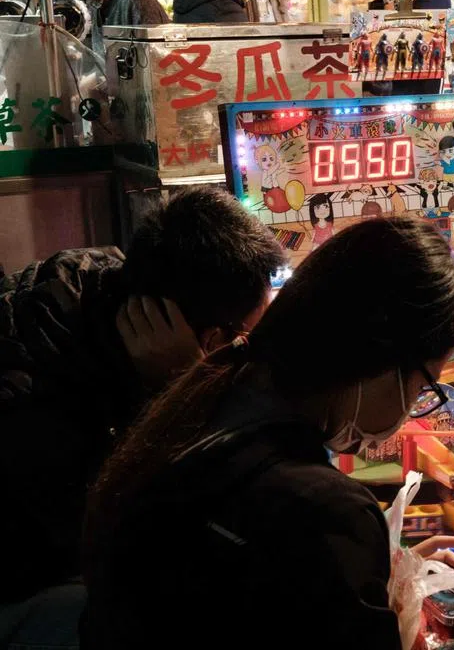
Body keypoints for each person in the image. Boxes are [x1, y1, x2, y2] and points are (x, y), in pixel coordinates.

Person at [82, 217, 454, 650]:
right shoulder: (322, 509)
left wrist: (380, 571)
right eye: (424, 387)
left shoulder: (204, 396)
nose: (415, 407)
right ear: (375, 362)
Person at [0, 187, 285, 648]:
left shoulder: (110, 281)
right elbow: (135, 539)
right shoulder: (39, 406)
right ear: (214, 341)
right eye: (251, 337)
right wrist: (177, 391)